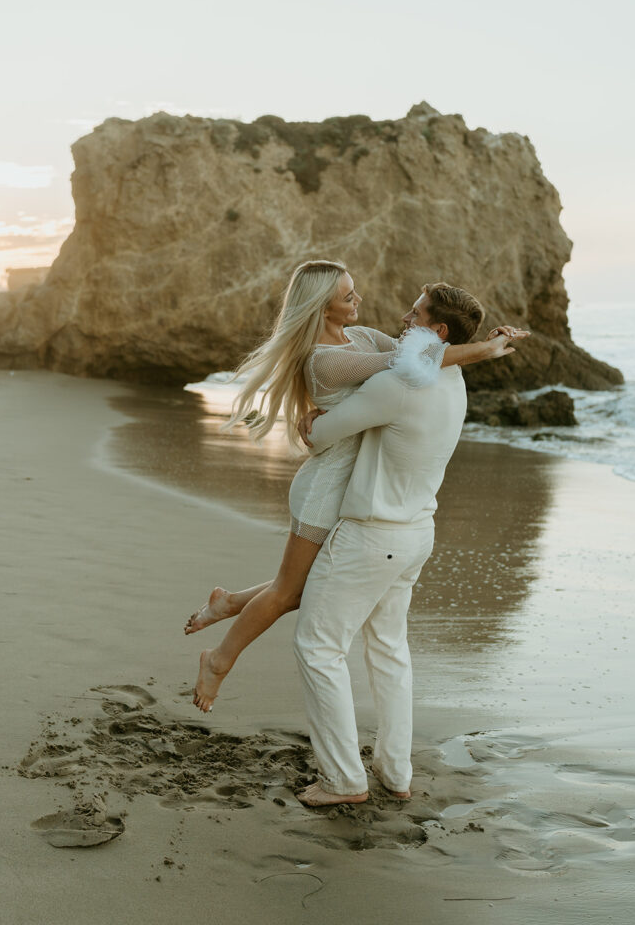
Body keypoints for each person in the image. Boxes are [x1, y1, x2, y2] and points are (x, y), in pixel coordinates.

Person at [184, 262, 526, 712]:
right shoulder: (323, 360)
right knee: (291, 591)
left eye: (354, 292)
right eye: (348, 297)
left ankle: (228, 602)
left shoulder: (362, 337)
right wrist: (485, 350)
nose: (358, 301)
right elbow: (411, 361)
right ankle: (219, 661)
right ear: (322, 307)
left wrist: (471, 341)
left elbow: (423, 354)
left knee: (309, 584)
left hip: (354, 485)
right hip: (327, 488)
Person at [293, 282, 522, 806]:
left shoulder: (401, 383)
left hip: (373, 534)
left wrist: (311, 419)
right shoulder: (453, 375)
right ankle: (395, 774)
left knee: (318, 646)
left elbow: (323, 434)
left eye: (415, 313)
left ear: (438, 332)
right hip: (418, 532)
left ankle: (343, 780)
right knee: (389, 651)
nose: (404, 316)